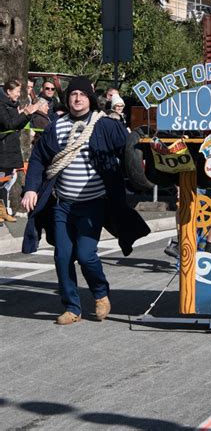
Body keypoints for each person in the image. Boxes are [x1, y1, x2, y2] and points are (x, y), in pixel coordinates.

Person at [21, 76, 150, 325]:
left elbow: (129, 151)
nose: (77, 99)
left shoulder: (105, 125)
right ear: (67, 99)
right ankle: (72, 307)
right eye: (72, 94)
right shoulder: (55, 126)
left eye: (82, 94)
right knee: (62, 256)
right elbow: (39, 158)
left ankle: (100, 293)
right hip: (63, 204)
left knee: (86, 254)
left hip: (94, 203)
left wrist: (144, 172)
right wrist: (31, 189)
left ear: (90, 98)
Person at [0, 79, 44, 223]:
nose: (19, 95)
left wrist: (27, 114)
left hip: (11, 148)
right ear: (8, 91)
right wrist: (26, 113)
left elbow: (17, 126)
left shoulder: (12, 105)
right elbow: (9, 124)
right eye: (17, 91)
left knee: (6, 180)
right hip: (4, 149)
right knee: (2, 180)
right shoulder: (1, 105)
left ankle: (2, 211)